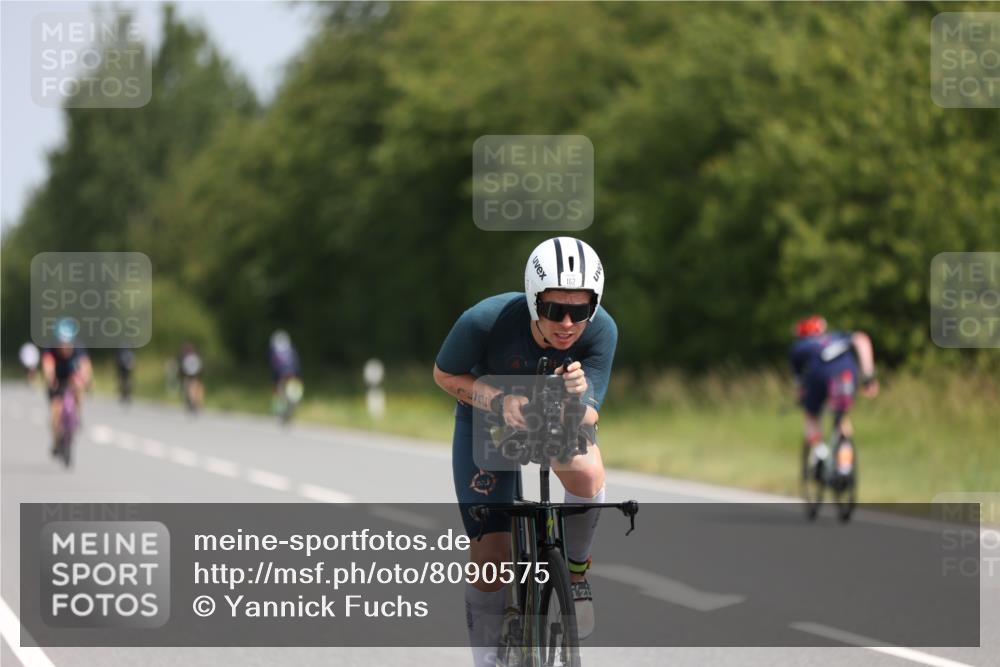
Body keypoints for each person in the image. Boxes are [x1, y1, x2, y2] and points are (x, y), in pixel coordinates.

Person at [433, 237, 617, 666]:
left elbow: (591, 414)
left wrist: (576, 397)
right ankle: (486, 660)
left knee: (588, 474)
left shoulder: (602, 331)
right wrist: (499, 401)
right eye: (554, 309)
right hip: (486, 415)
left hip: (554, 415)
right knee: (491, 560)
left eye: (580, 311)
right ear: (534, 300)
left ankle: (576, 574)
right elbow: (444, 374)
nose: (567, 323)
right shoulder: (484, 320)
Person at [790, 315, 879, 475]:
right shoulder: (837, 337)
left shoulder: (800, 346)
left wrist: (802, 395)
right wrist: (868, 376)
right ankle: (845, 465)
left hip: (818, 377)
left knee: (811, 415)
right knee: (841, 417)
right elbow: (862, 339)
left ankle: (820, 451)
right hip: (846, 375)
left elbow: (799, 381)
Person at [40, 319, 92, 456]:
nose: (65, 348)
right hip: (56, 379)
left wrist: (86, 379)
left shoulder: (78, 347)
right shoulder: (51, 348)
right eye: (62, 344)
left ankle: (77, 415)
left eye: (68, 344)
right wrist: (50, 379)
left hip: (70, 376)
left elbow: (85, 364)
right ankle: (56, 441)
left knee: (79, 385)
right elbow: (48, 365)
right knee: (55, 411)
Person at [268, 329, 301, 404]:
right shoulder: (291, 349)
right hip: (292, 373)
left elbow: (274, 367)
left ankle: (280, 403)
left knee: (278, 389)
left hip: (282, 374)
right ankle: (288, 402)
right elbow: (297, 364)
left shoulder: (274, 350)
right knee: (289, 390)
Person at [178, 342, 204, 412]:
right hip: (195, 373)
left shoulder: (185, 356)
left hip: (189, 374)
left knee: (189, 386)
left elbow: (182, 368)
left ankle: (193, 402)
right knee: (194, 386)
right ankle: (195, 402)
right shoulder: (195, 355)